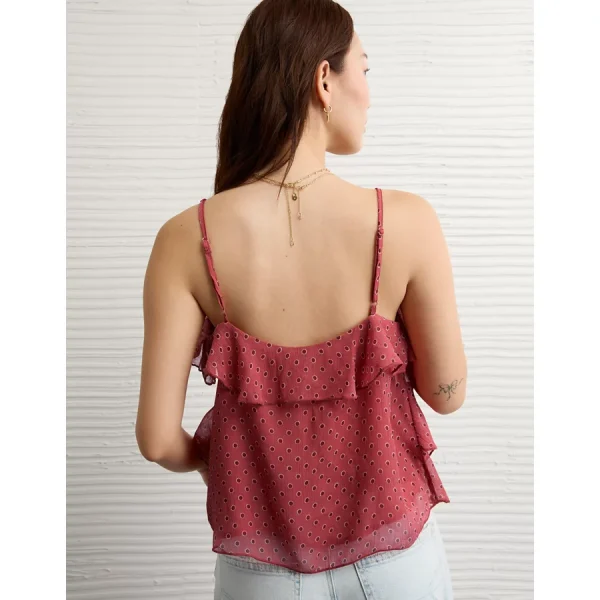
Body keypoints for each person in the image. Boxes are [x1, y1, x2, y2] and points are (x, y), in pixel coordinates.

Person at [136, 0, 467, 598]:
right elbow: (447, 395)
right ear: (323, 80)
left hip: (259, 570)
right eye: (364, 69)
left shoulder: (185, 239)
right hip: (395, 557)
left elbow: (158, 439)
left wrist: (217, 461)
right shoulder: (404, 221)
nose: (370, 94)